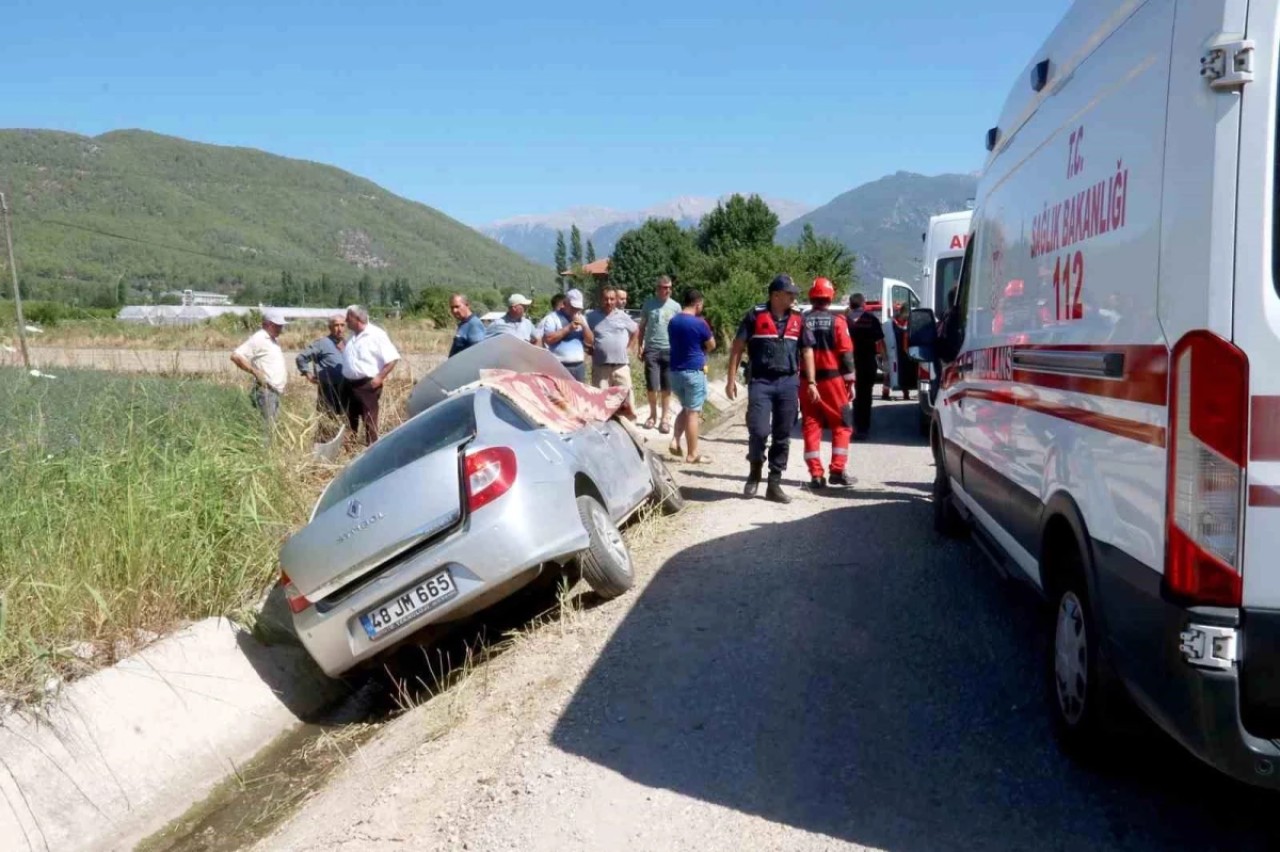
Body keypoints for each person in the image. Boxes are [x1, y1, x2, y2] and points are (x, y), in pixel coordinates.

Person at [725, 275, 818, 503]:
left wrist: (812, 382)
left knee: (782, 434)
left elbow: (806, 350)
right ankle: (755, 471)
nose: (794, 297)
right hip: (761, 382)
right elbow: (737, 348)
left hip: (788, 382)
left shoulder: (798, 318)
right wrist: (730, 380)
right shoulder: (755, 315)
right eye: (790, 293)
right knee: (758, 431)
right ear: (775, 296)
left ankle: (774, 483)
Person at [800, 278, 855, 489]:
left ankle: (815, 474)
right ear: (830, 297)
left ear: (812, 296)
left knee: (811, 425)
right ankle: (838, 470)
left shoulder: (801, 321)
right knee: (842, 424)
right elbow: (846, 354)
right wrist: (850, 381)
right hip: (832, 380)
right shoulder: (838, 322)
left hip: (807, 381)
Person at [667, 288, 715, 463]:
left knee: (687, 408)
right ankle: (693, 453)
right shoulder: (700, 323)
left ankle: (675, 440)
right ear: (698, 303)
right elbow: (711, 345)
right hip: (694, 371)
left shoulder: (673, 322)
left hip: (675, 372)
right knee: (693, 413)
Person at [342, 304, 401, 445]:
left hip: (367, 384)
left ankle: (370, 450)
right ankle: (351, 451)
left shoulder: (376, 334)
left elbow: (392, 358)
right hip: (350, 385)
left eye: (348, 318)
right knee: (351, 420)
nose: (345, 321)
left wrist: (380, 377)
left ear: (358, 318)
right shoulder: (351, 337)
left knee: (369, 420)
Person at [231, 309, 289, 430]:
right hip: (266, 392)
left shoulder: (273, 340)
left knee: (273, 429)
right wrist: (254, 371)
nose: (280, 328)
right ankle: (265, 449)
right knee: (266, 431)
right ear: (267, 324)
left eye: (281, 325)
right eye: (277, 325)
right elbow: (236, 356)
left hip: (274, 392)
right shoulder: (259, 338)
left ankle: (270, 449)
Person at [637, 275, 680, 433]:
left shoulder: (676, 306)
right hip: (652, 350)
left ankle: (665, 418)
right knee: (652, 386)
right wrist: (639, 346)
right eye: (664, 287)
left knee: (666, 387)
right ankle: (652, 415)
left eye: (669, 287)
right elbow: (642, 327)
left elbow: (679, 329)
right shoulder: (649, 304)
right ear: (657, 288)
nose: (667, 290)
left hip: (670, 350)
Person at [586, 287, 638, 414]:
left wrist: (630, 348)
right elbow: (583, 331)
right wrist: (588, 347)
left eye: (612, 299)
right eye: (606, 299)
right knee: (600, 400)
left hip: (621, 366)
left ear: (616, 300)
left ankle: (630, 426)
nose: (608, 302)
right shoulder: (591, 316)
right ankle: (603, 428)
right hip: (601, 367)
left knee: (627, 398)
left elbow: (636, 330)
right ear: (601, 299)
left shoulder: (623, 316)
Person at [846, 292, 885, 440]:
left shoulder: (845, 320)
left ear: (850, 304)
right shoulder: (871, 319)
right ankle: (864, 428)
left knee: (852, 395)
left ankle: (855, 426)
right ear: (863, 304)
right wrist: (885, 359)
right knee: (866, 396)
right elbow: (880, 342)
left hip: (849, 363)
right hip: (868, 363)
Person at [295, 313, 348, 423]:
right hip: (328, 390)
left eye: (342, 325)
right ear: (330, 327)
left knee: (345, 422)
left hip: (346, 390)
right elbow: (301, 357)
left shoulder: (348, 343)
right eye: (336, 325)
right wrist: (308, 374)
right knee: (327, 422)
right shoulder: (322, 344)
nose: (340, 329)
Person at [538, 288, 593, 381]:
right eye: (573, 307)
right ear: (565, 304)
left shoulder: (582, 318)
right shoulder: (552, 318)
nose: (576, 310)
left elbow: (590, 341)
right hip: (560, 366)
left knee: (578, 394)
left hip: (579, 366)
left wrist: (584, 327)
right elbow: (549, 339)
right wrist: (568, 328)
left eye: (578, 308)